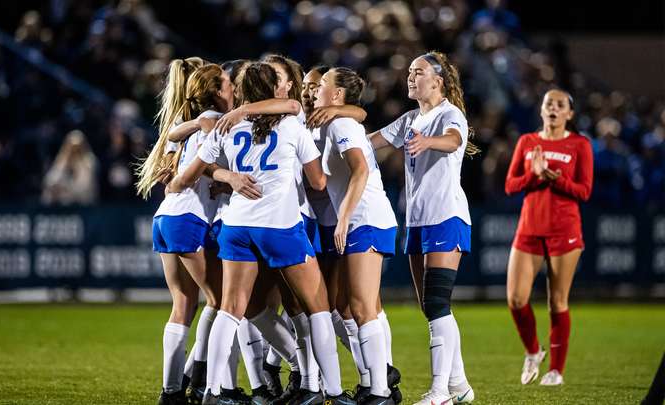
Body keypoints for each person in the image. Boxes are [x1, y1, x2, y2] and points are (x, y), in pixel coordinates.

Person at [168, 62, 355, 405]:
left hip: (237, 227)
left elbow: (185, 178)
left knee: (230, 309)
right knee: (317, 307)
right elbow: (317, 181)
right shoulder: (291, 125)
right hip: (280, 226)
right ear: (273, 90)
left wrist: (221, 178)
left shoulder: (225, 128)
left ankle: (211, 390)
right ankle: (333, 391)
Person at [135, 59, 253, 405]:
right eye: (229, 84)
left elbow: (171, 152)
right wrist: (225, 177)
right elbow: (200, 166)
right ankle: (202, 380)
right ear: (217, 91)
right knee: (221, 302)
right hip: (189, 218)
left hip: (166, 218)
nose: (234, 88)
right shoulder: (216, 121)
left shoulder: (188, 123)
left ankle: (172, 391)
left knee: (184, 304)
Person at [368, 52, 478, 404]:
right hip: (417, 221)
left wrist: (428, 142)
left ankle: (440, 392)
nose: (410, 78)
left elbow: (453, 140)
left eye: (419, 72)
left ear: (438, 81)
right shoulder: (411, 118)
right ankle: (459, 385)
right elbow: (370, 142)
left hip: (447, 216)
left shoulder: (450, 114)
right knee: (431, 307)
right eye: (410, 72)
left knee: (436, 302)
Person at [315, 67, 399, 405]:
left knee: (362, 307)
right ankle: (377, 381)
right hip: (362, 219)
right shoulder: (336, 121)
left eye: (322, 84)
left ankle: (379, 390)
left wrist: (344, 218)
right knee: (350, 306)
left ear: (337, 95)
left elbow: (361, 168)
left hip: (365, 219)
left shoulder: (341, 124)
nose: (316, 89)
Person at [504, 88, 593, 386]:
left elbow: (584, 190)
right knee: (516, 299)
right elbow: (510, 185)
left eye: (560, 105)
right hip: (529, 228)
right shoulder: (527, 141)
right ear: (541, 110)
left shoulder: (579, 144)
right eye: (548, 104)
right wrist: (535, 175)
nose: (553, 108)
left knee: (557, 301)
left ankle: (556, 370)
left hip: (564, 230)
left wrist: (558, 180)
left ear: (569, 113)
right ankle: (533, 351)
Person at [42, 129, 98, 205]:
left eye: (77, 147)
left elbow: (86, 187)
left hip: (85, 204)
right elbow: (50, 181)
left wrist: (66, 188)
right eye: (71, 146)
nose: (74, 150)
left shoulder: (89, 162)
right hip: (64, 204)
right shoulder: (62, 161)